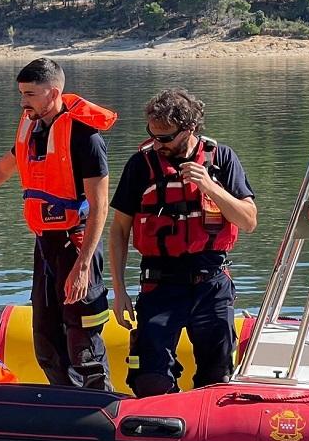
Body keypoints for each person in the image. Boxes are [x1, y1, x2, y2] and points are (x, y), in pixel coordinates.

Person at [0, 58, 116, 390]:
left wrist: (84, 265)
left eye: (29, 94)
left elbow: (100, 206)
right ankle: (66, 404)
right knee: (45, 344)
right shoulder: (31, 126)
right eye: (21, 94)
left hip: (76, 246)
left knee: (82, 344)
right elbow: (1, 170)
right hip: (44, 247)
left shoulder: (85, 137)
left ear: (52, 92)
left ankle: (100, 410)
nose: (23, 101)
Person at [108, 87, 257, 396]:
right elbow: (119, 230)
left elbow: (248, 221)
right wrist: (119, 290)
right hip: (160, 285)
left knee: (217, 377)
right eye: (152, 133)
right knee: (151, 379)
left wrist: (210, 186)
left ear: (189, 129)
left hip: (211, 284)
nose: (157, 143)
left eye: (165, 137)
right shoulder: (140, 165)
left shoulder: (222, 159)